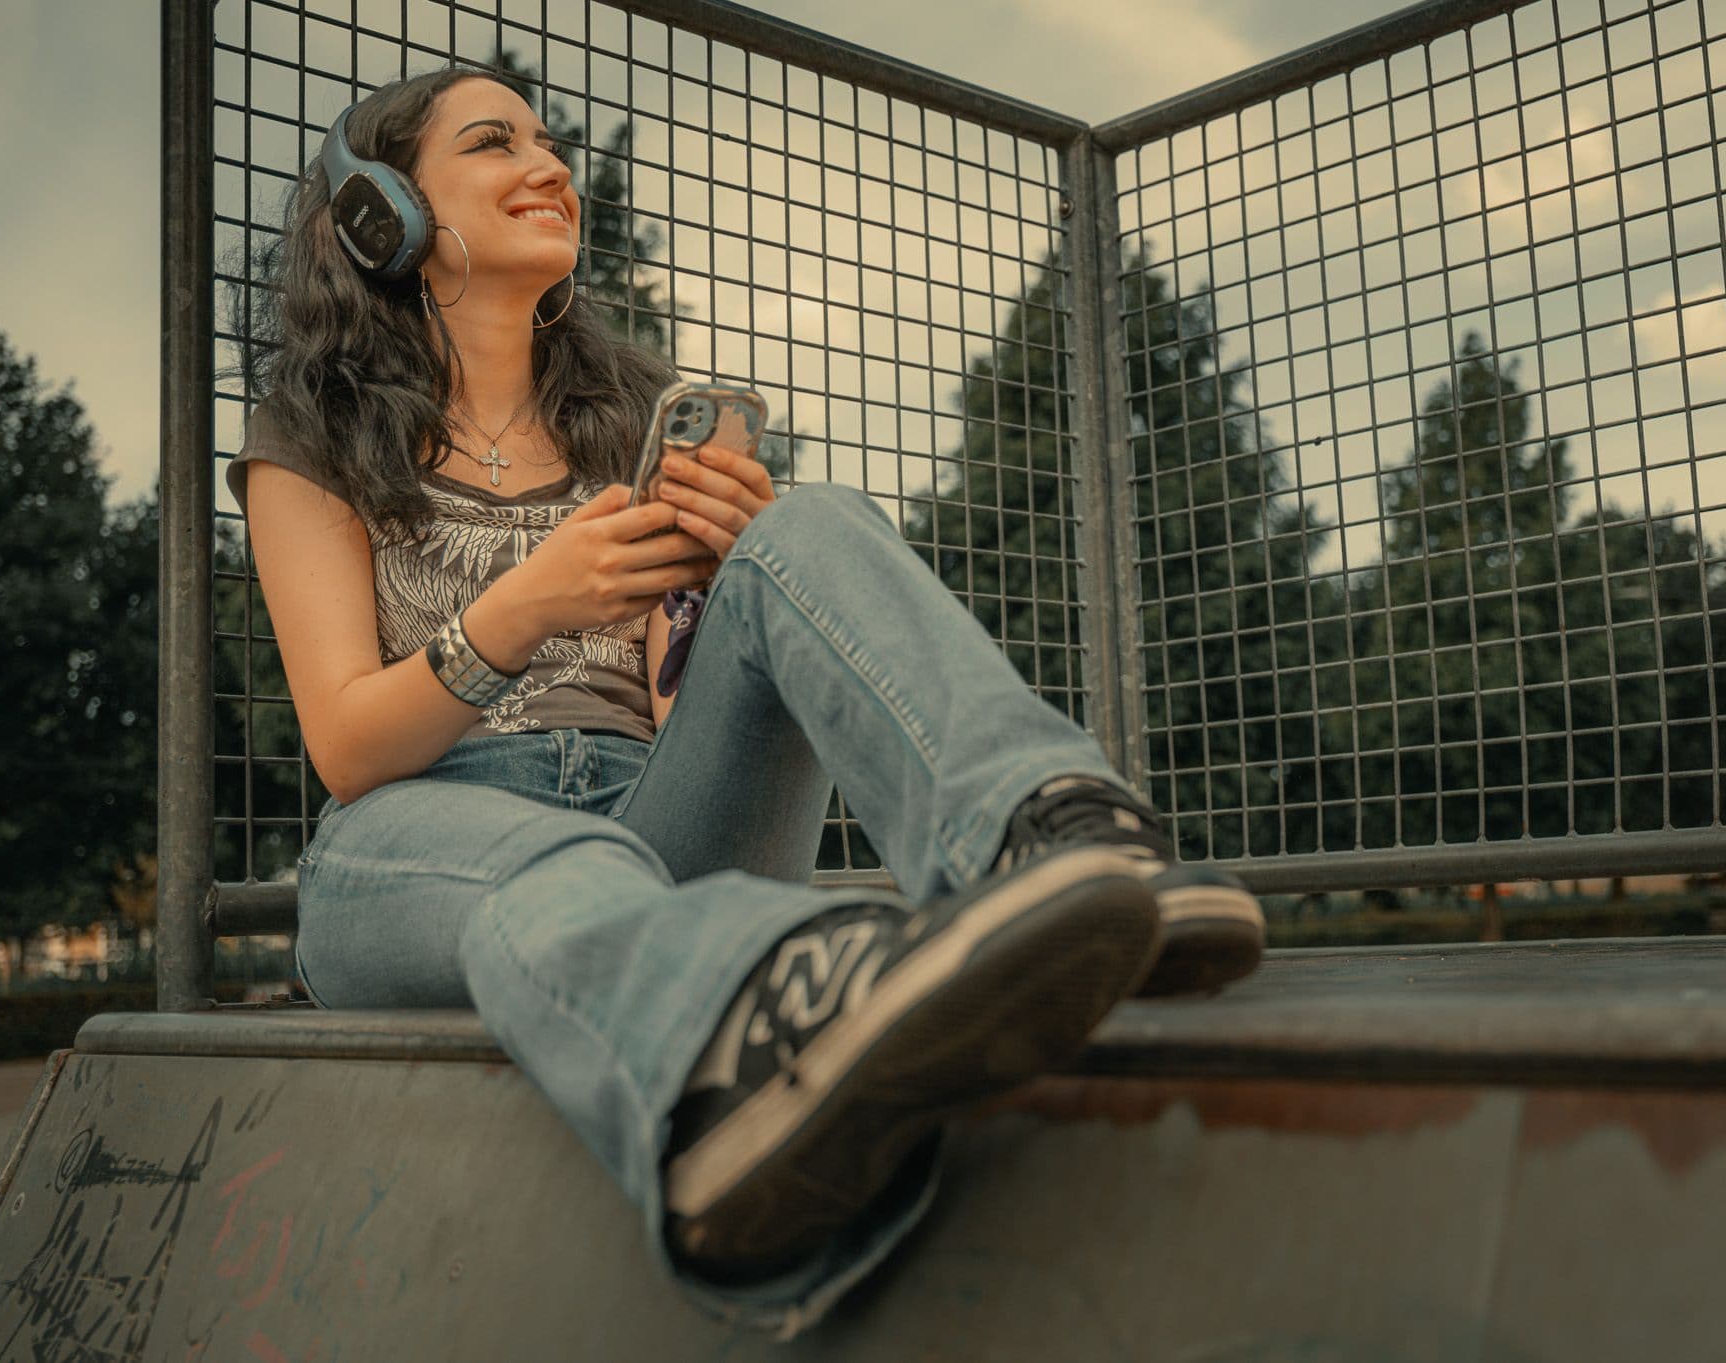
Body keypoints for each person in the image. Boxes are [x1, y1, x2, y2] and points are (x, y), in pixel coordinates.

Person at [233, 66, 1265, 1336]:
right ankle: (724, 1084)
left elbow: (682, 723)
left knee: (809, 523)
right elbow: (343, 744)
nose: (547, 165)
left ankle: (1050, 838)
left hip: (650, 831)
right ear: (379, 212)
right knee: (547, 860)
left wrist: (734, 584)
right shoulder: (307, 434)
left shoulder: (628, 420)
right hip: (415, 847)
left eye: (549, 143)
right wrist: (523, 609)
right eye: (494, 143)